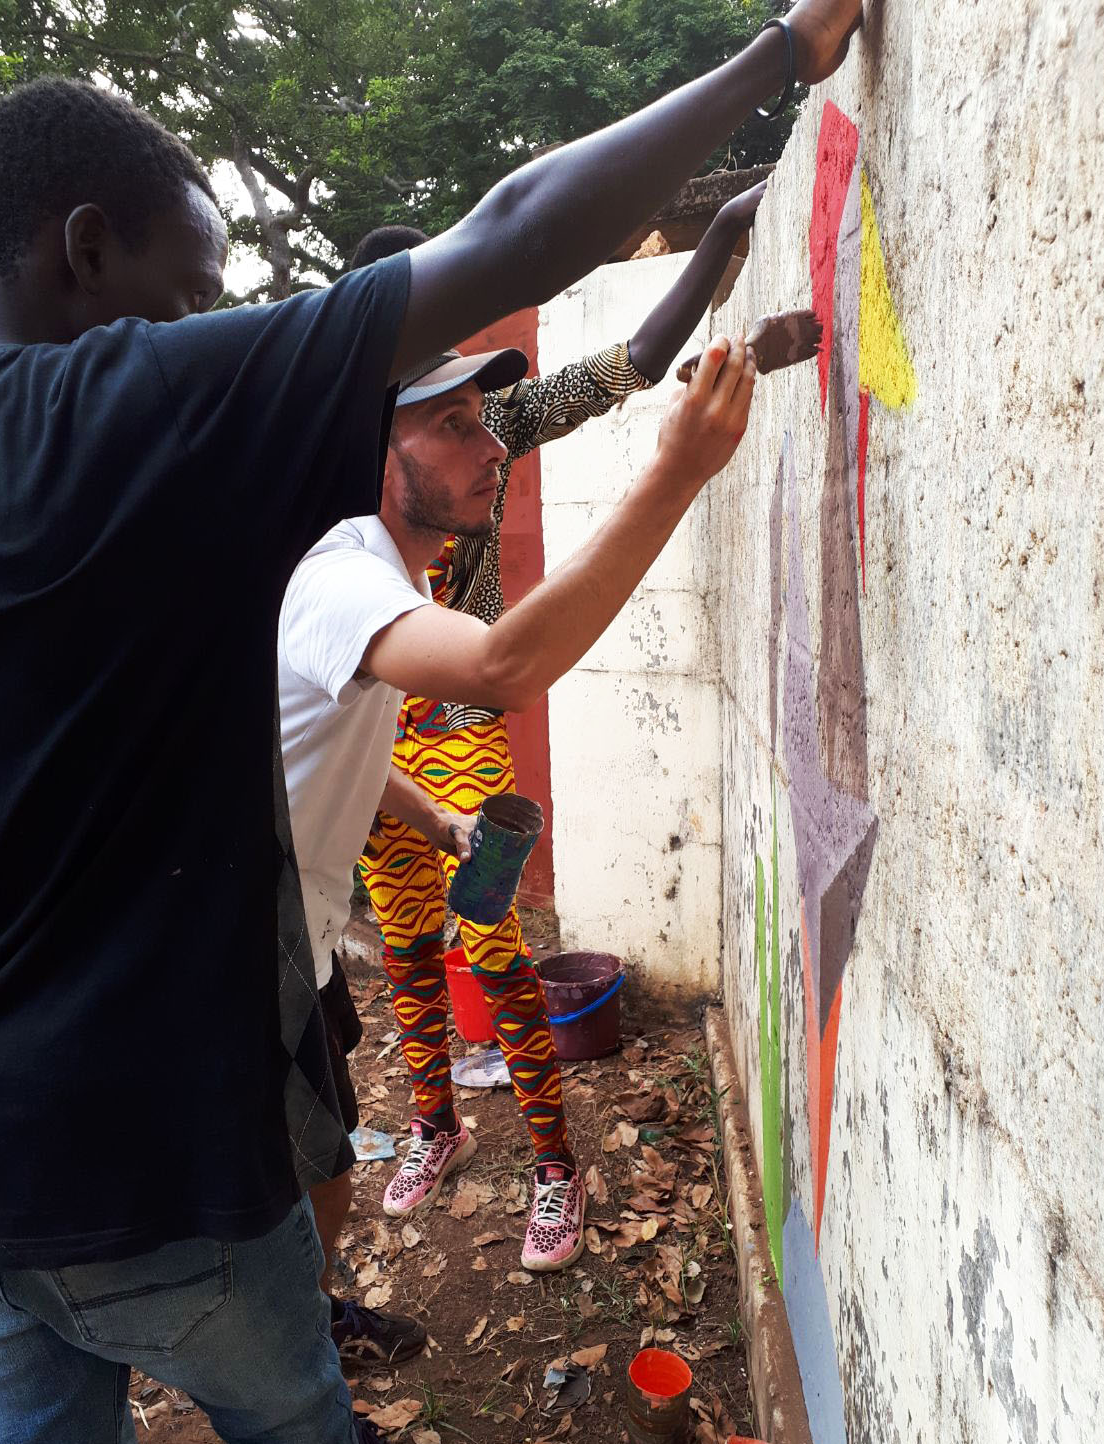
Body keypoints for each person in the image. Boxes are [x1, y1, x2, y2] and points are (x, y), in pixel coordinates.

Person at [0, 5, 865, 1444]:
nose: (476, 423)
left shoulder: (242, 493)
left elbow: (609, 368)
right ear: (82, 250)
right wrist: (784, 52)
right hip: (145, 1134)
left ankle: (385, 1204)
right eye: (186, 295)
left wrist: (725, 267)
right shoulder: (256, 510)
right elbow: (503, 648)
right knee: (295, 1412)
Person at [347, 196, 818, 1269]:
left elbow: (634, 361)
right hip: (375, 712)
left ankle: (554, 1165)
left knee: (488, 937)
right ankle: (436, 1123)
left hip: (461, 710)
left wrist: (715, 242)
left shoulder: (488, 418)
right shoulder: (333, 443)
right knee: (409, 941)